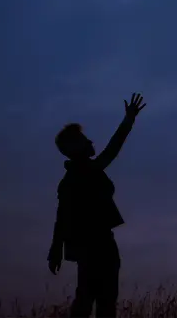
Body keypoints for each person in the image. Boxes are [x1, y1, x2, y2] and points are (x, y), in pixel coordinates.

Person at [47, 93, 147, 318]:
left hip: (99, 244)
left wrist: (56, 251)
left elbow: (61, 218)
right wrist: (55, 250)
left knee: (99, 300)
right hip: (94, 246)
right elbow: (61, 217)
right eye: (84, 140)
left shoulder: (81, 174)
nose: (90, 142)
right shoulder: (80, 175)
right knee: (94, 301)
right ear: (74, 149)